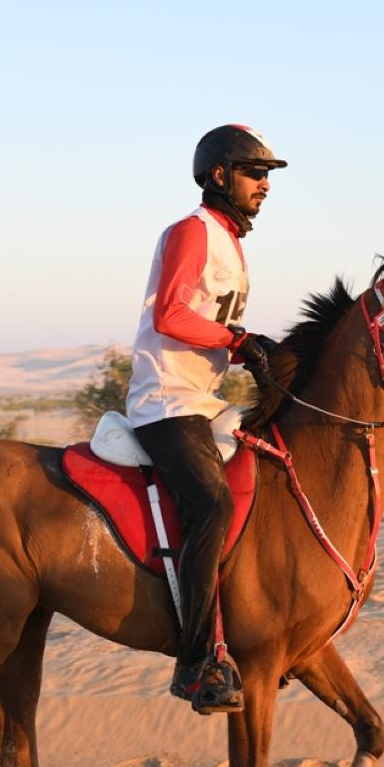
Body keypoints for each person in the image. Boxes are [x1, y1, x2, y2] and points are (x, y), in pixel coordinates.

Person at [126, 124, 287, 713]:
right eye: (255, 172)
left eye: (268, 175)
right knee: (212, 505)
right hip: (167, 401)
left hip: (204, 400)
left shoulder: (231, 242)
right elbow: (170, 314)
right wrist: (239, 341)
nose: (265, 185)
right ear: (219, 176)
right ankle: (196, 663)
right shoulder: (192, 232)